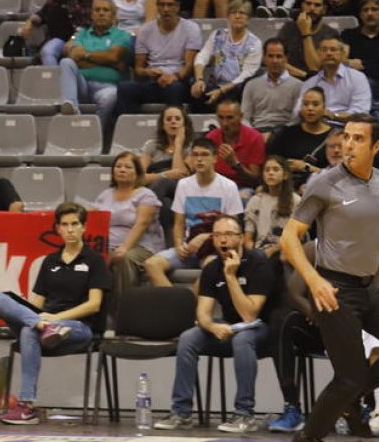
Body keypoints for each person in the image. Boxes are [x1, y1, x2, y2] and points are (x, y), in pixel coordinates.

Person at [280, 114, 379, 442]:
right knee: (348, 378)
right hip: (334, 290)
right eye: (346, 137)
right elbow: (289, 238)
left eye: (358, 139)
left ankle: (350, 400)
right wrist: (314, 280)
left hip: (370, 288)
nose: (348, 145)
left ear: (376, 146)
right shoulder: (325, 183)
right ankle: (307, 438)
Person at [153, 214, 276, 433]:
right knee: (189, 337)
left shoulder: (258, 263)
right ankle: (181, 412)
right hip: (228, 326)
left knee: (242, 339)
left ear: (240, 237)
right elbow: (202, 313)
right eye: (217, 235)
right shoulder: (212, 268)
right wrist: (212, 327)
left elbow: (249, 314)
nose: (222, 240)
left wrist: (230, 276)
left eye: (228, 234)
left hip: (261, 329)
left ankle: (244, 414)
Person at [0, 202, 110, 425]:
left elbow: (94, 305)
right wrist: (35, 317)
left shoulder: (95, 261)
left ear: (84, 227)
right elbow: (37, 302)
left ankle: (26, 406)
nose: (70, 229)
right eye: (65, 225)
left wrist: (56, 318)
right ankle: (41, 326)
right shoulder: (50, 261)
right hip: (46, 325)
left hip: (78, 327)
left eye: (75, 224)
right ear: (58, 229)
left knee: (28, 331)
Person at [144, 137, 244, 286]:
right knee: (151, 265)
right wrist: (179, 245)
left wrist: (206, 237)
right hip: (189, 247)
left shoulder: (228, 186)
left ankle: (194, 300)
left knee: (210, 269)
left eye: (204, 155)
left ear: (215, 158)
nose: (199, 159)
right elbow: (179, 223)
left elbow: (233, 229)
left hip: (215, 249)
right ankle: (177, 299)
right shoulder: (184, 185)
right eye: (195, 155)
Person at [116, 0, 200, 114]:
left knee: (174, 88)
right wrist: (147, 72)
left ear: (177, 7)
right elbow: (138, 68)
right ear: (157, 7)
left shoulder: (191, 29)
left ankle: (176, 123)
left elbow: (188, 66)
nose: (166, 9)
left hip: (178, 81)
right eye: (162, 5)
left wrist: (173, 77)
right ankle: (128, 125)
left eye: (170, 5)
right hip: (153, 81)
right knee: (124, 88)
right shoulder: (145, 31)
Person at [95, 151, 164, 300]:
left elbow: (142, 224)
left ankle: (124, 307)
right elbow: (96, 221)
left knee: (123, 258)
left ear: (137, 173)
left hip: (141, 247)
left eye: (127, 167)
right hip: (108, 246)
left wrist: (124, 247)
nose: (122, 170)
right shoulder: (105, 195)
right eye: (118, 166)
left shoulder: (146, 195)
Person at [58, 0, 131, 132]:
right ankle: (72, 108)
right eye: (97, 10)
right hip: (83, 84)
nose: (101, 13)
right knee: (66, 62)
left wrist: (86, 56)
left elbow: (113, 56)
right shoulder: (82, 34)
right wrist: (108, 63)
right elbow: (74, 57)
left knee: (111, 96)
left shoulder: (123, 35)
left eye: (105, 10)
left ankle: (94, 133)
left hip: (108, 87)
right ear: (91, 14)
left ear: (113, 15)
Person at [191, 0, 262, 111]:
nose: (237, 16)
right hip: (216, 84)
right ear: (228, 17)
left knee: (237, 90)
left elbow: (248, 73)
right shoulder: (218, 35)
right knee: (197, 89)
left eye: (242, 13)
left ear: (248, 19)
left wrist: (221, 91)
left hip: (237, 87)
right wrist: (199, 79)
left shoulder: (254, 43)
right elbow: (202, 56)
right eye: (234, 12)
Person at [23, 0, 95, 67]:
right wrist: (30, 22)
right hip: (57, 39)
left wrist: (74, 39)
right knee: (47, 52)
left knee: (73, 55)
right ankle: (55, 77)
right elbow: (42, 14)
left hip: (80, 38)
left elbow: (87, 23)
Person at [291, 36, 373, 127]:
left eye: (333, 50)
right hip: (315, 127)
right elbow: (297, 111)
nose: (328, 53)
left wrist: (333, 116)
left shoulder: (358, 78)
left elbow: (361, 113)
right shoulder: (310, 83)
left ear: (342, 54)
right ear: (318, 54)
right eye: (324, 50)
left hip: (346, 128)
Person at [267, 87, 335, 188]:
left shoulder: (334, 137)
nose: (310, 108)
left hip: (321, 188)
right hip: (286, 187)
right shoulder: (286, 133)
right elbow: (272, 162)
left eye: (315, 104)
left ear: (324, 108)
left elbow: (336, 176)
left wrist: (307, 167)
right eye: (305, 104)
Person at [241, 38, 303, 137]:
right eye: (270, 56)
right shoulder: (251, 85)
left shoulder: (298, 86)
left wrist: (275, 135)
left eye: (279, 56)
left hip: (285, 133)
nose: (275, 61)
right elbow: (244, 117)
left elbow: (295, 119)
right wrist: (254, 135)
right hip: (257, 132)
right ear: (264, 58)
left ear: (286, 58)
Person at [206, 99, 266, 190]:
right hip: (215, 186)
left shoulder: (254, 138)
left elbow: (255, 180)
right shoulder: (211, 137)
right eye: (221, 117)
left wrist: (235, 164)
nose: (225, 123)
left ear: (241, 117)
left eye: (230, 118)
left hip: (243, 186)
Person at [246, 156, 299, 257]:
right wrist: (250, 249)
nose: (270, 173)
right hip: (260, 251)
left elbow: (297, 236)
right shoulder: (255, 200)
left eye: (275, 169)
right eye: (267, 170)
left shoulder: (296, 201)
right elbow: (248, 236)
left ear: (285, 175)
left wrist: (273, 250)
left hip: (285, 249)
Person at [277, 0, 338, 79]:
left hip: (319, 81)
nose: (312, 8)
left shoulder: (330, 34)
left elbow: (315, 68)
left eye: (317, 5)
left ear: (324, 10)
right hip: (290, 79)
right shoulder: (288, 28)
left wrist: (306, 33)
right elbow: (277, 61)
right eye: (308, 4)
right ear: (302, 6)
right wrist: (304, 75)